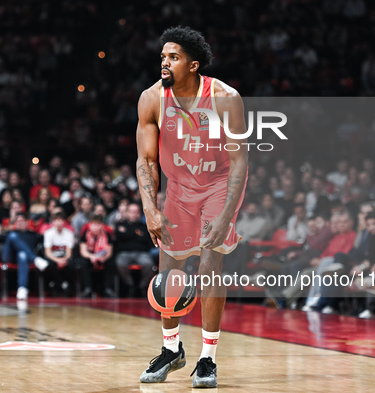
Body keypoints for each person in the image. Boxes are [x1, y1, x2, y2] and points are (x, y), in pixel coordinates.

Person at [136, 27, 248, 388]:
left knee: (210, 260)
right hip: (179, 188)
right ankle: (172, 350)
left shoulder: (224, 97)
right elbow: (146, 161)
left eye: (174, 57)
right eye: (163, 56)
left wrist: (227, 214)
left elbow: (240, 160)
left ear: (193, 65)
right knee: (169, 269)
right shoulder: (151, 99)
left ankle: (207, 358)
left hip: (219, 183)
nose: (164, 62)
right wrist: (150, 209)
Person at [1, 212, 46, 300]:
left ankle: (22, 288)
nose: (20, 223)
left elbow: (45, 237)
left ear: (27, 222)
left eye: (22, 221)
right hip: (9, 257)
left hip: (24, 259)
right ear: (15, 223)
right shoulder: (10, 233)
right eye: (18, 221)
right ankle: (35, 259)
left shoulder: (33, 235)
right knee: (12, 236)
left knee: (22, 255)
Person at [114, 203, 155, 297]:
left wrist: (127, 234)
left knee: (149, 264)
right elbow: (119, 242)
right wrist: (136, 235)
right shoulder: (120, 224)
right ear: (127, 213)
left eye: (136, 212)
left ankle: (142, 286)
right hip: (124, 253)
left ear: (139, 214)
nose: (133, 214)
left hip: (141, 253)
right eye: (131, 212)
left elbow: (148, 242)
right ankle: (130, 285)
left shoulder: (144, 226)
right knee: (120, 263)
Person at [78, 214, 115, 298]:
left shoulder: (107, 233)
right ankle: (88, 288)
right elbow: (83, 251)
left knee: (110, 262)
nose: (95, 227)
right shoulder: (85, 233)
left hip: (102, 256)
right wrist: (91, 256)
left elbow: (109, 252)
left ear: (101, 225)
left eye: (97, 225)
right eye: (93, 224)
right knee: (83, 262)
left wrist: (103, 258)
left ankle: (107, 288)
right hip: (90, 256)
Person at [41, 211, 76, 296]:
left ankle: (68, 285)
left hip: (64, 256)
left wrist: (64, 259)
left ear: (64, 222)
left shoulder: (69, 233)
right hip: (53, 257)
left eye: (61, 220)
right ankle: (58, 284)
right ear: (53, 222)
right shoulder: (48, 233)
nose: (59, 222)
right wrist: (57, 260)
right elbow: (47, 252)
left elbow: (69, 252)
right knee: (50, 264)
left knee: (71, 264)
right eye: (56, 220)